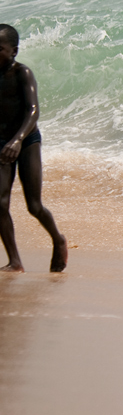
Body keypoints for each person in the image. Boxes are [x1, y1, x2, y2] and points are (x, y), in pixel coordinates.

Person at [0, 24, 68, 273]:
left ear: (14, 51)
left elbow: (33, 112)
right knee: (0, 204)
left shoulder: (22, 74)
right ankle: (15, 261)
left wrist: (17, 141)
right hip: (2, 143)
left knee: (34, 205)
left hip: (26, 140)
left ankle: (58, 239)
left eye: (0, 49)